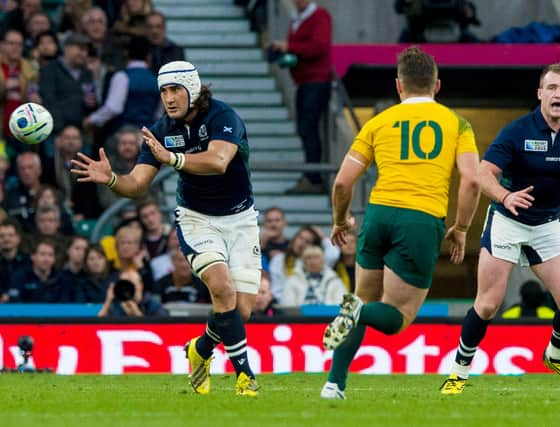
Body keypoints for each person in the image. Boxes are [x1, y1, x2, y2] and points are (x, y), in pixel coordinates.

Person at [70, 60, 262, 397]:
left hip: (241, 220)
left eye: (175, 90)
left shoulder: (223, 117)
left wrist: (172, 159)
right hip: (196, 219)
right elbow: (137, 184)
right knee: (222, 288)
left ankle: (200, 350)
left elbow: (218, 161)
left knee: (240, 311)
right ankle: (245, 377)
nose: (169, 98)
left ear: (193, 89)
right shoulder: (160, 131)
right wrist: (112, 178)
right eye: (163, 91)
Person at [320, 46, 481, 399]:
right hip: (421, 219)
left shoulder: (377, 123)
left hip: (378, 214)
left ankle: (334, 384)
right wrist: (462, 228)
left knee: (363, 297)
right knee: (398, 316)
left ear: (399, 86)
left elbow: (343, 182)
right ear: (437, 86)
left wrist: (339, 220)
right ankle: (355, 313)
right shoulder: (457, 124)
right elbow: (471, 180)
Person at [440, 63, 560, 395]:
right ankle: (458, 372)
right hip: (506, 221)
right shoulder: (517, 131)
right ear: (540, 94)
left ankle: (555, 355)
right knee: (487, 304)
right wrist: (505, 195)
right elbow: (483, 173)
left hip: (546, 224)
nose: (558, 94)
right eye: (552, 88)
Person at [270, 0, 332, 194]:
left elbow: (318, 46)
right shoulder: (299, 18)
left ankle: (313, 177)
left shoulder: (319, 16)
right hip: (304, 81)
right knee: (305, 128)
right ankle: (311, 174)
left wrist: (290, 47)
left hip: (316, 81)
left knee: (309, 128)